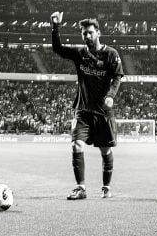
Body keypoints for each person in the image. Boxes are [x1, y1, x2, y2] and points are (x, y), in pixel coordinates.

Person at [50, 11, 124, 200]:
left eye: (90, 32)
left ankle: (106, 186)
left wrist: (111, 95)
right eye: (84, 33)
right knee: (76, 145)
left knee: (105, 150)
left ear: (98, 33)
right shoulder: (79, 53)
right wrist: (56, 26)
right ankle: (80, 188)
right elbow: (58, 48)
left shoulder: (111, 54)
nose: (87, 36)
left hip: (103, 112)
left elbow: (117, 76)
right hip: (82, 109)